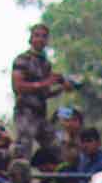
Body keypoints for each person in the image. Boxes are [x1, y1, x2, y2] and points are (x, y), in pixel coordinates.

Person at [11, 23, 68, 159]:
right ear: (31, 39)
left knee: (57, 148)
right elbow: (18, 86)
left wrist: (61, 88)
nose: (40, 39)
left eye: (44, 36)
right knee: (23, 151)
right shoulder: (22, 59)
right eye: (37, 36)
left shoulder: (45, 64)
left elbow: (44, 93)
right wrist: (43, 83)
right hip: (25, 113)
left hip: (41, 114)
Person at [55, 106, 84, 170]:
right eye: (67, 120)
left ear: (80, 123)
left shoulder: (85, 140)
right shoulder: (57, 138)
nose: (71, 123)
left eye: (74, 120)